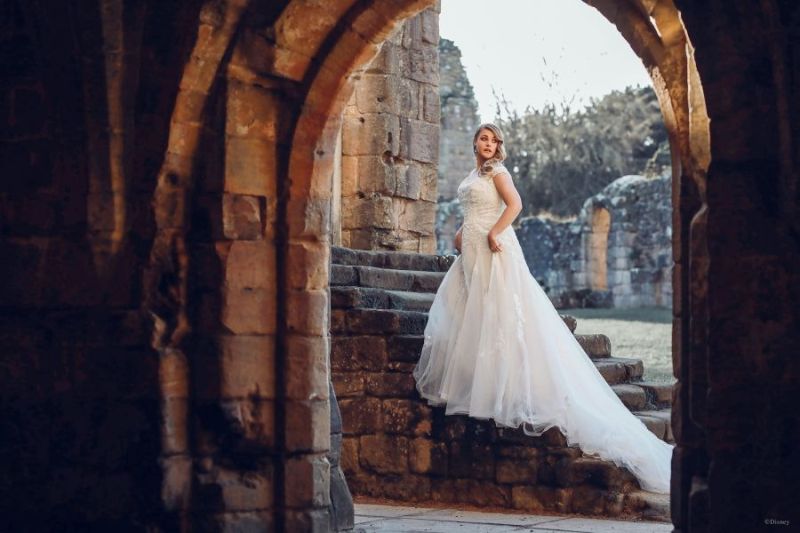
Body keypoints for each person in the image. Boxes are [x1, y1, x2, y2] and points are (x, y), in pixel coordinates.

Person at [413, 123, 673, 494]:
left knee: (499, 312)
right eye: (483, 139)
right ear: (474, 142)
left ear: (498, 146)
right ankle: (481, 380)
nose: (488, 144)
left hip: (493, 248)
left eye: (494, 140)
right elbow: (473, 207)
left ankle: (507, 384)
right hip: (469, 247)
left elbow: (515, 205)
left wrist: (493, 233)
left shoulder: (500, 172)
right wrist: (461, 232)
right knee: (470, 314)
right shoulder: (474, 174)